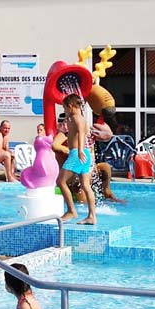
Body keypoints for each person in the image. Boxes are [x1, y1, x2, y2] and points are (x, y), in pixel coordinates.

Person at [55, 94, 96, 224]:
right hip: (85, 155)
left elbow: (82, 134)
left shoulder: (77, 119)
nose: (64, 110)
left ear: (71, 106)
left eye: (65, 108)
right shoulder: (77, 118)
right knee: (86, 186)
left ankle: (71, 210)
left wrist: (79, 150)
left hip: (77, 154)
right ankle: (92, 216)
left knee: (61, 181)